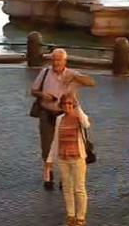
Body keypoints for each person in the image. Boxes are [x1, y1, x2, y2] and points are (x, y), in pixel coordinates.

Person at [30, 49, 94, 190]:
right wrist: (42, 95)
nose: (56, 63)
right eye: (54, 60)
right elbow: (33, 91)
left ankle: (63, 178)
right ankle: (48, 172)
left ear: (65, 61)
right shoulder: (45, 72)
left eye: (59, 60)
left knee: (65, 146)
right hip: (46, 113)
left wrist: (75, 78)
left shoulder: (71, 74)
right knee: (47, 145)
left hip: (65, 116)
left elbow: (91, 82)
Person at [46, 93, 91, 226]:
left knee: (79, 189)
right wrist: (49, 160)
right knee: (67, 188)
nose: (68, 106)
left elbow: (87, 124)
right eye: (65, 104)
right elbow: (55, 141)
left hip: (78, 158)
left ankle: (81, 219)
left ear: (74, 105)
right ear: (61, 105)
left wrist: (78, 106)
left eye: (70, 104)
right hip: (63, 158)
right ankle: (70, 217)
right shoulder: (59, 119)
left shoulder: (79, 117)